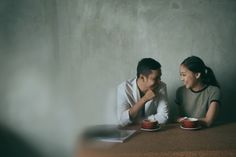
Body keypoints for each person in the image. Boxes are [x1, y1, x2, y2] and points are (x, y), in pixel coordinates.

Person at [117, 58, 169, 127]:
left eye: (160, 77)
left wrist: (136, 120)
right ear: (142, 77)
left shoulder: (161, 86)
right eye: (155, 78)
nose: (159, 81)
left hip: (153, 130)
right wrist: (144, 99)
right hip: (132, 132)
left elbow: (164, 117)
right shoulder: (124, 88)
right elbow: (122, 121)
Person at [176, 56, 221, 127]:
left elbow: (208, 121)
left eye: (184, 75)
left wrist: (186, 121)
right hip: (184, 133)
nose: (181, 79)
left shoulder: (214, 91)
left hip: (207, 133)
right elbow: (176, 117)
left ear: (197, 75)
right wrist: (179, 119)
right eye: (180, 75)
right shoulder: (180, 91)